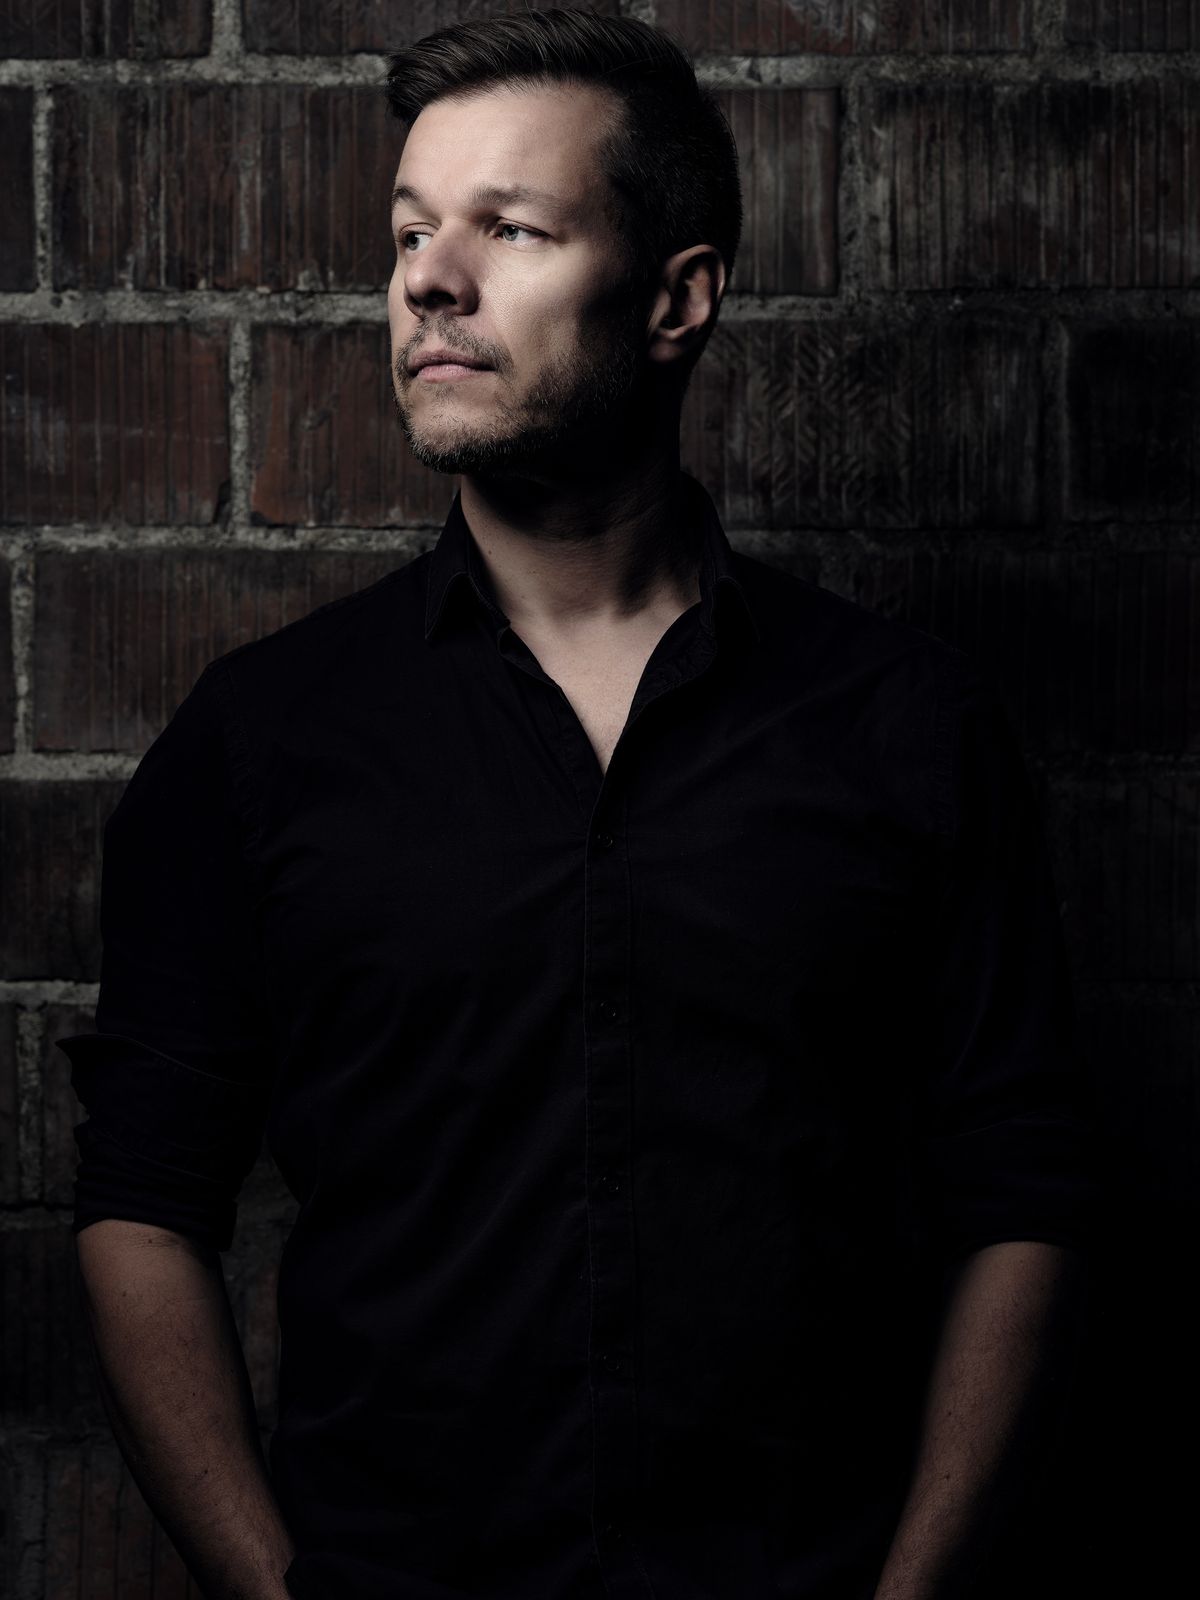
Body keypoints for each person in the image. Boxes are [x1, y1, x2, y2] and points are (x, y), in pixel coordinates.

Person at [61, 10, 1091, 1600]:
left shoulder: (905, 728)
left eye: (511, 229)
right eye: (410, 231)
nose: (429, 280)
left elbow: (1020, 1196)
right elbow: (142, 1201)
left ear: (677, 298)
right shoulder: (261, 740)